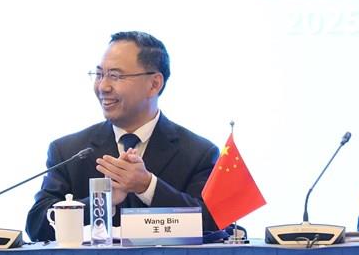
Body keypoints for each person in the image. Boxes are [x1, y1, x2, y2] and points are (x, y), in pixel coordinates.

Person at [25, 31, 219, 242]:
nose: (103, 86)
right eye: (99, 74)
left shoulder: (198, 153)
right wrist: (102, 201)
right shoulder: (68, 151)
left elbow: (214, 224)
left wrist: (148, 186)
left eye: (115, 76)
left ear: (154, 84)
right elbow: (37, 227)